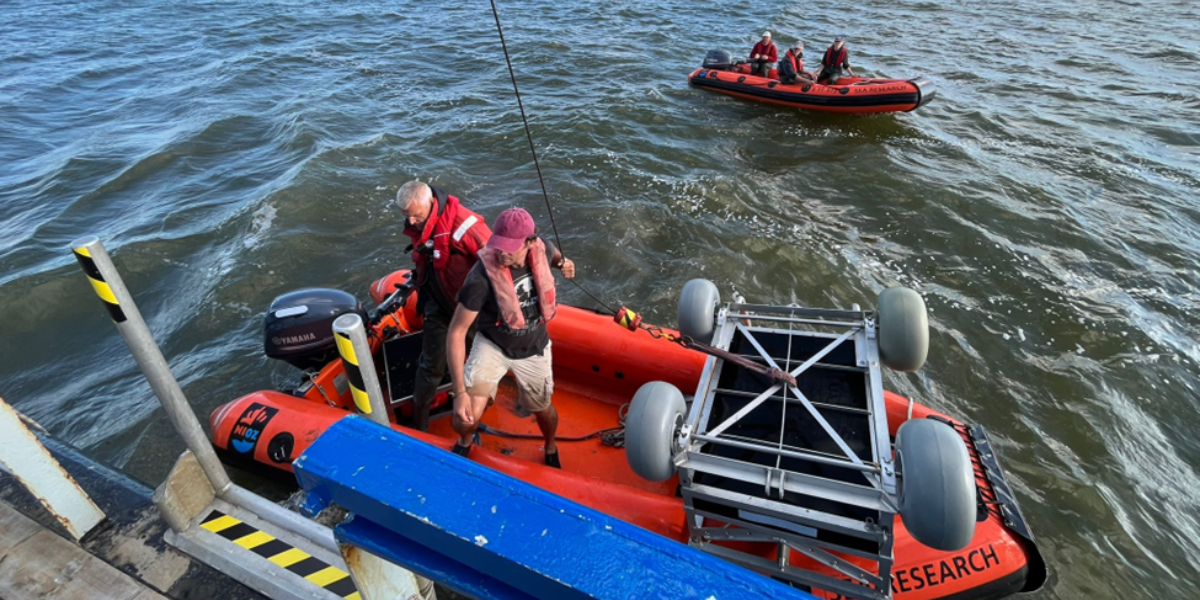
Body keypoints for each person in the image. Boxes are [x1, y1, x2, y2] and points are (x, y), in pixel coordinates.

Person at [445, 207, 576, 468]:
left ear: (529, 243)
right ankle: (466, 439)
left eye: (510, 247)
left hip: (534, 346)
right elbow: (456, 332)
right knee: (465, 417)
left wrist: (564, 263)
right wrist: (459, 392)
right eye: (499, 245)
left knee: (543, 408)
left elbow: (554, 254)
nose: (502, 253)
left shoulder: (542, 248)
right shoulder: (479, 278)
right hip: (492, 345)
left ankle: (550, 445)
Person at [397, 180, 490, 432]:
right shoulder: (417, 222)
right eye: (406, 216)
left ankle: (477, 409)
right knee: (430, 366)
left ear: (430, 203)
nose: (411, 222)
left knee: (479, 358)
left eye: (416, 215)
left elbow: (495, 264)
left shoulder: (467, 226)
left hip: (469, 308)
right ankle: (419, 423)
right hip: (437, 302)